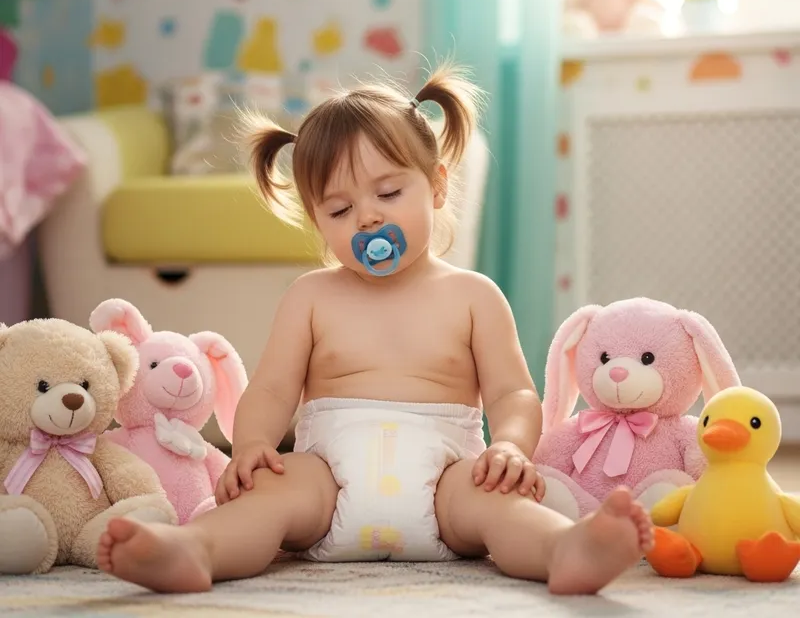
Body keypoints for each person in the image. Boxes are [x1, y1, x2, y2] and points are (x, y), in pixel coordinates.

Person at [97, 65, 653, 595]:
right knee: (272, 494)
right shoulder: (311, 296)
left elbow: (513, 391)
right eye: (339, 209)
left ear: (436, 185)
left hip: (444, 483)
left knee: (494, 503)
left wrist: (508, 444)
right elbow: (270, 389)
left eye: (388, 194)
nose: (367, 218)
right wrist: (254, 447)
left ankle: (564, 551)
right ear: (317, 220)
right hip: (329, 482)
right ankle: (194, 552)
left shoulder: (473, 295)